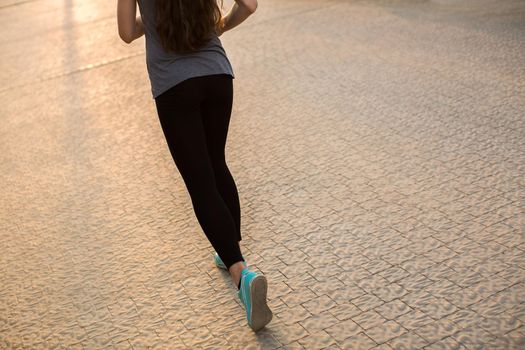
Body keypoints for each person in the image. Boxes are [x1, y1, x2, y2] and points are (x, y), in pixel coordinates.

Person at [117, 0, 272, 332]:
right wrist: (221, 24)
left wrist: (153, 20)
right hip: (217, 75)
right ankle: (228, 249)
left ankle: (241, 273)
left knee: (201, 183)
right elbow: (249, 4)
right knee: (217, 164)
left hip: (175, 87)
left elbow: (127, 32)